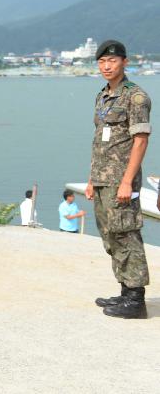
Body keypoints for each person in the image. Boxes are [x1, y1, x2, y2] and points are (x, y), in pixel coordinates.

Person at [85, 40, 152, 319]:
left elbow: (140, 141)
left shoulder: (135, 97)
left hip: (121, 181)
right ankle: (125, 291)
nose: (106, 66)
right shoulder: (102, 96)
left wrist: (126, 181)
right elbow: (99, 142)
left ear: (124, 62)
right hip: (102, 180)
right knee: (111, 237)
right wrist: (91, 179)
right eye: (101, 62)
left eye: (112, 61)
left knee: (126, 234)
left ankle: (136, 300)